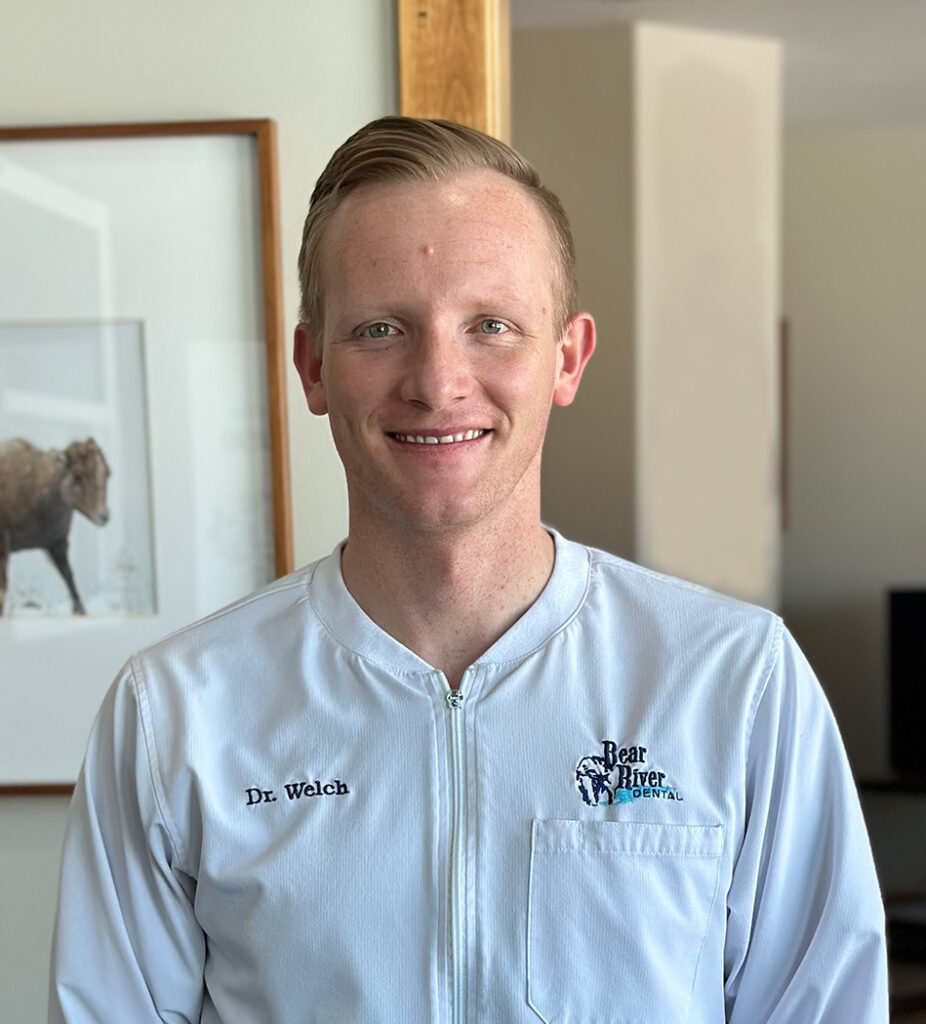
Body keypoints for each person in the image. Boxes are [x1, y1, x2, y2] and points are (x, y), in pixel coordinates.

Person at [49, 116, 888, 1022]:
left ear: (566, 358)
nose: (437, 381)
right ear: (313, 367)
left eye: (491, 325)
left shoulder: (737, 682)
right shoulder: (175, 713)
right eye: (380, 329)